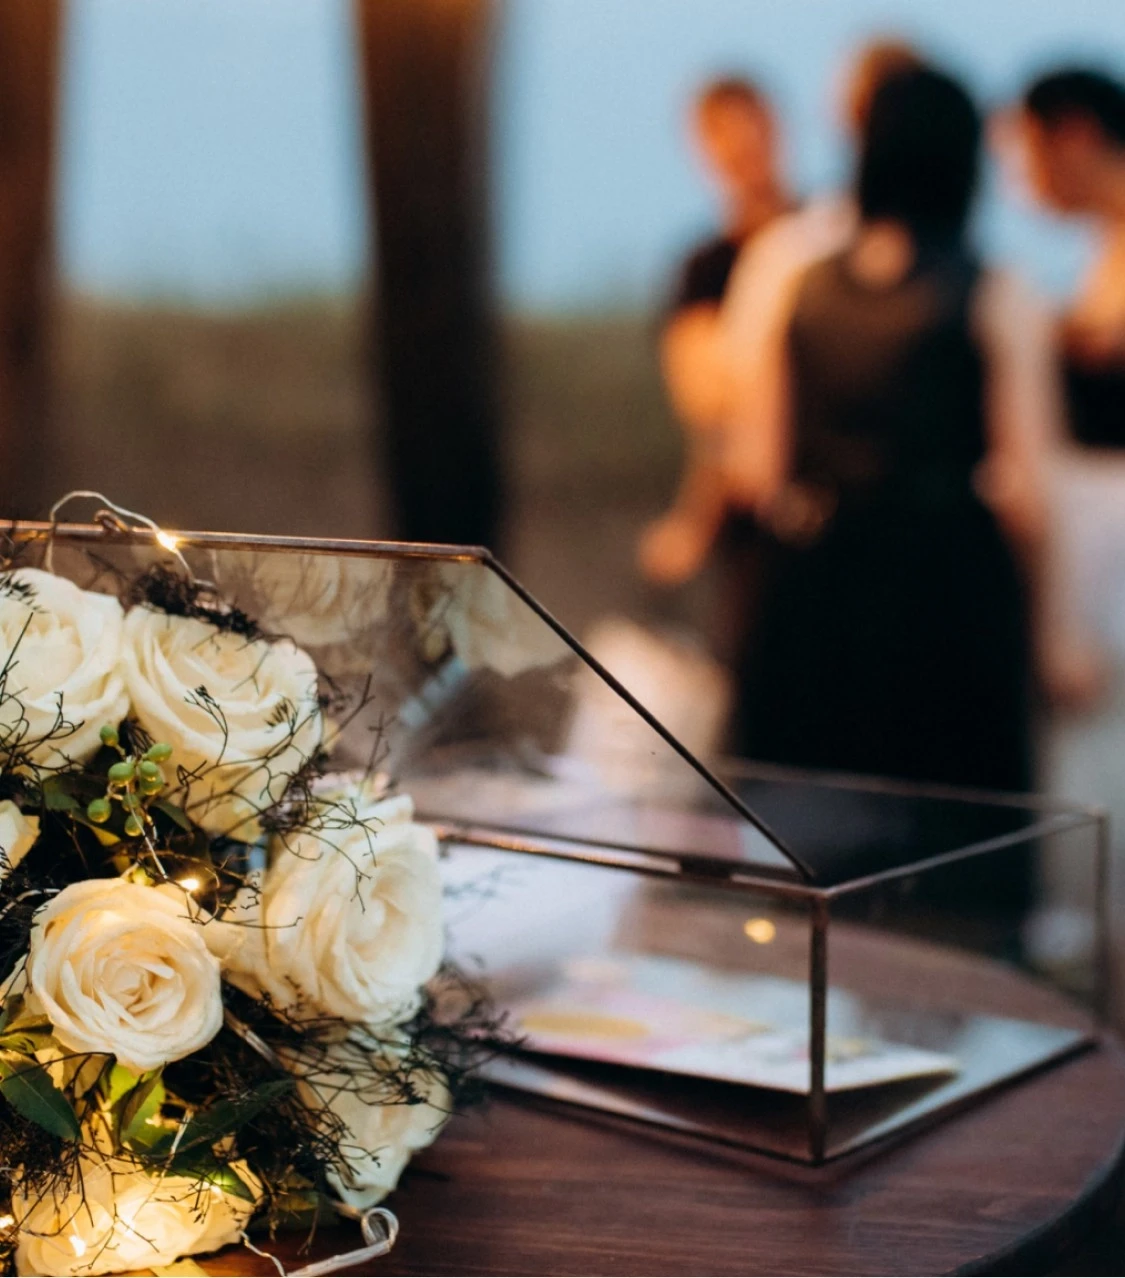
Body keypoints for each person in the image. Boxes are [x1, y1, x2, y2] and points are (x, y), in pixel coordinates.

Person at [732, 65, 1064, 807]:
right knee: (954, 839)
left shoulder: (799, 284)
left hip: (815, 588)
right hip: (949, 589)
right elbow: (1027, 496)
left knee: (814, 828)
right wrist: (1049, 639)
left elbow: (758, 469)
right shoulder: (995, 290)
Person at [638, 77, 792, 586]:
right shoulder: (704, 269)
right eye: (722, 134)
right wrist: (697, 519)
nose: (742, 145)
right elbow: (710, 410)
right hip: (753, 514)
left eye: (753, 126)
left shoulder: (821, 241)